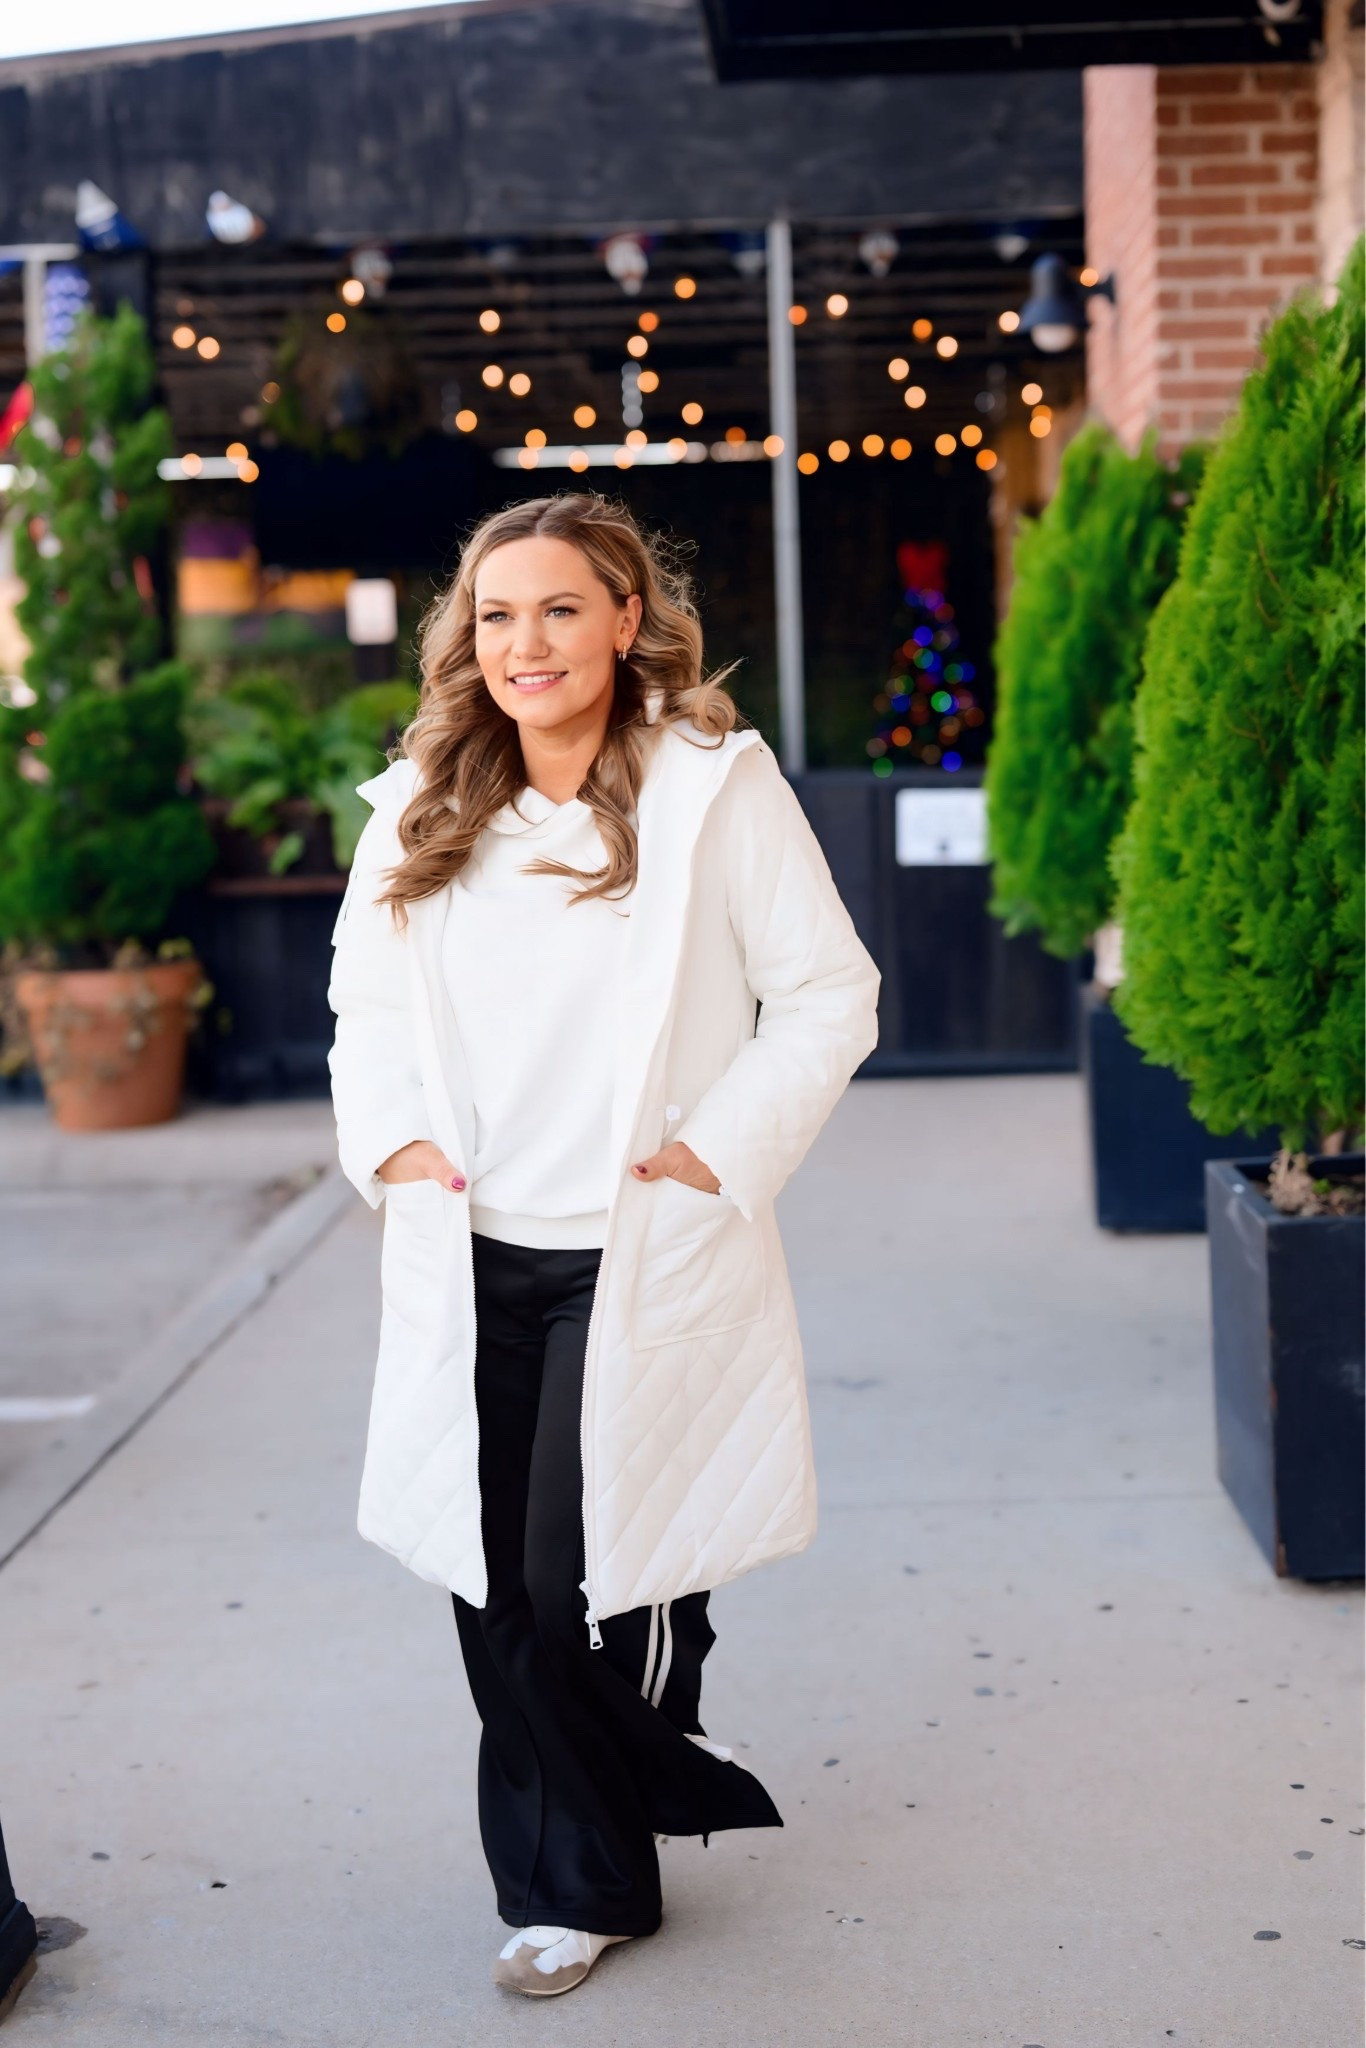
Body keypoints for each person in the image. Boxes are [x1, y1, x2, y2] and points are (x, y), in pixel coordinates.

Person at [327, 491, 880, 1997]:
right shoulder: (418, 803)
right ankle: (572, 1878)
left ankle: (616, 1816)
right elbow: (365, 1020)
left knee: (581, 1575)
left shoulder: (713, 785)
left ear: (625, 618)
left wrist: (716, 1154)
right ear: (467, 638)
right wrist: (392, 1149)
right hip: (469, 1244)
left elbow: (830, 993)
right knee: (487, 1582)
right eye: (497, 615)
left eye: (560, 608)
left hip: (634, 1248)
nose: (527, 642)